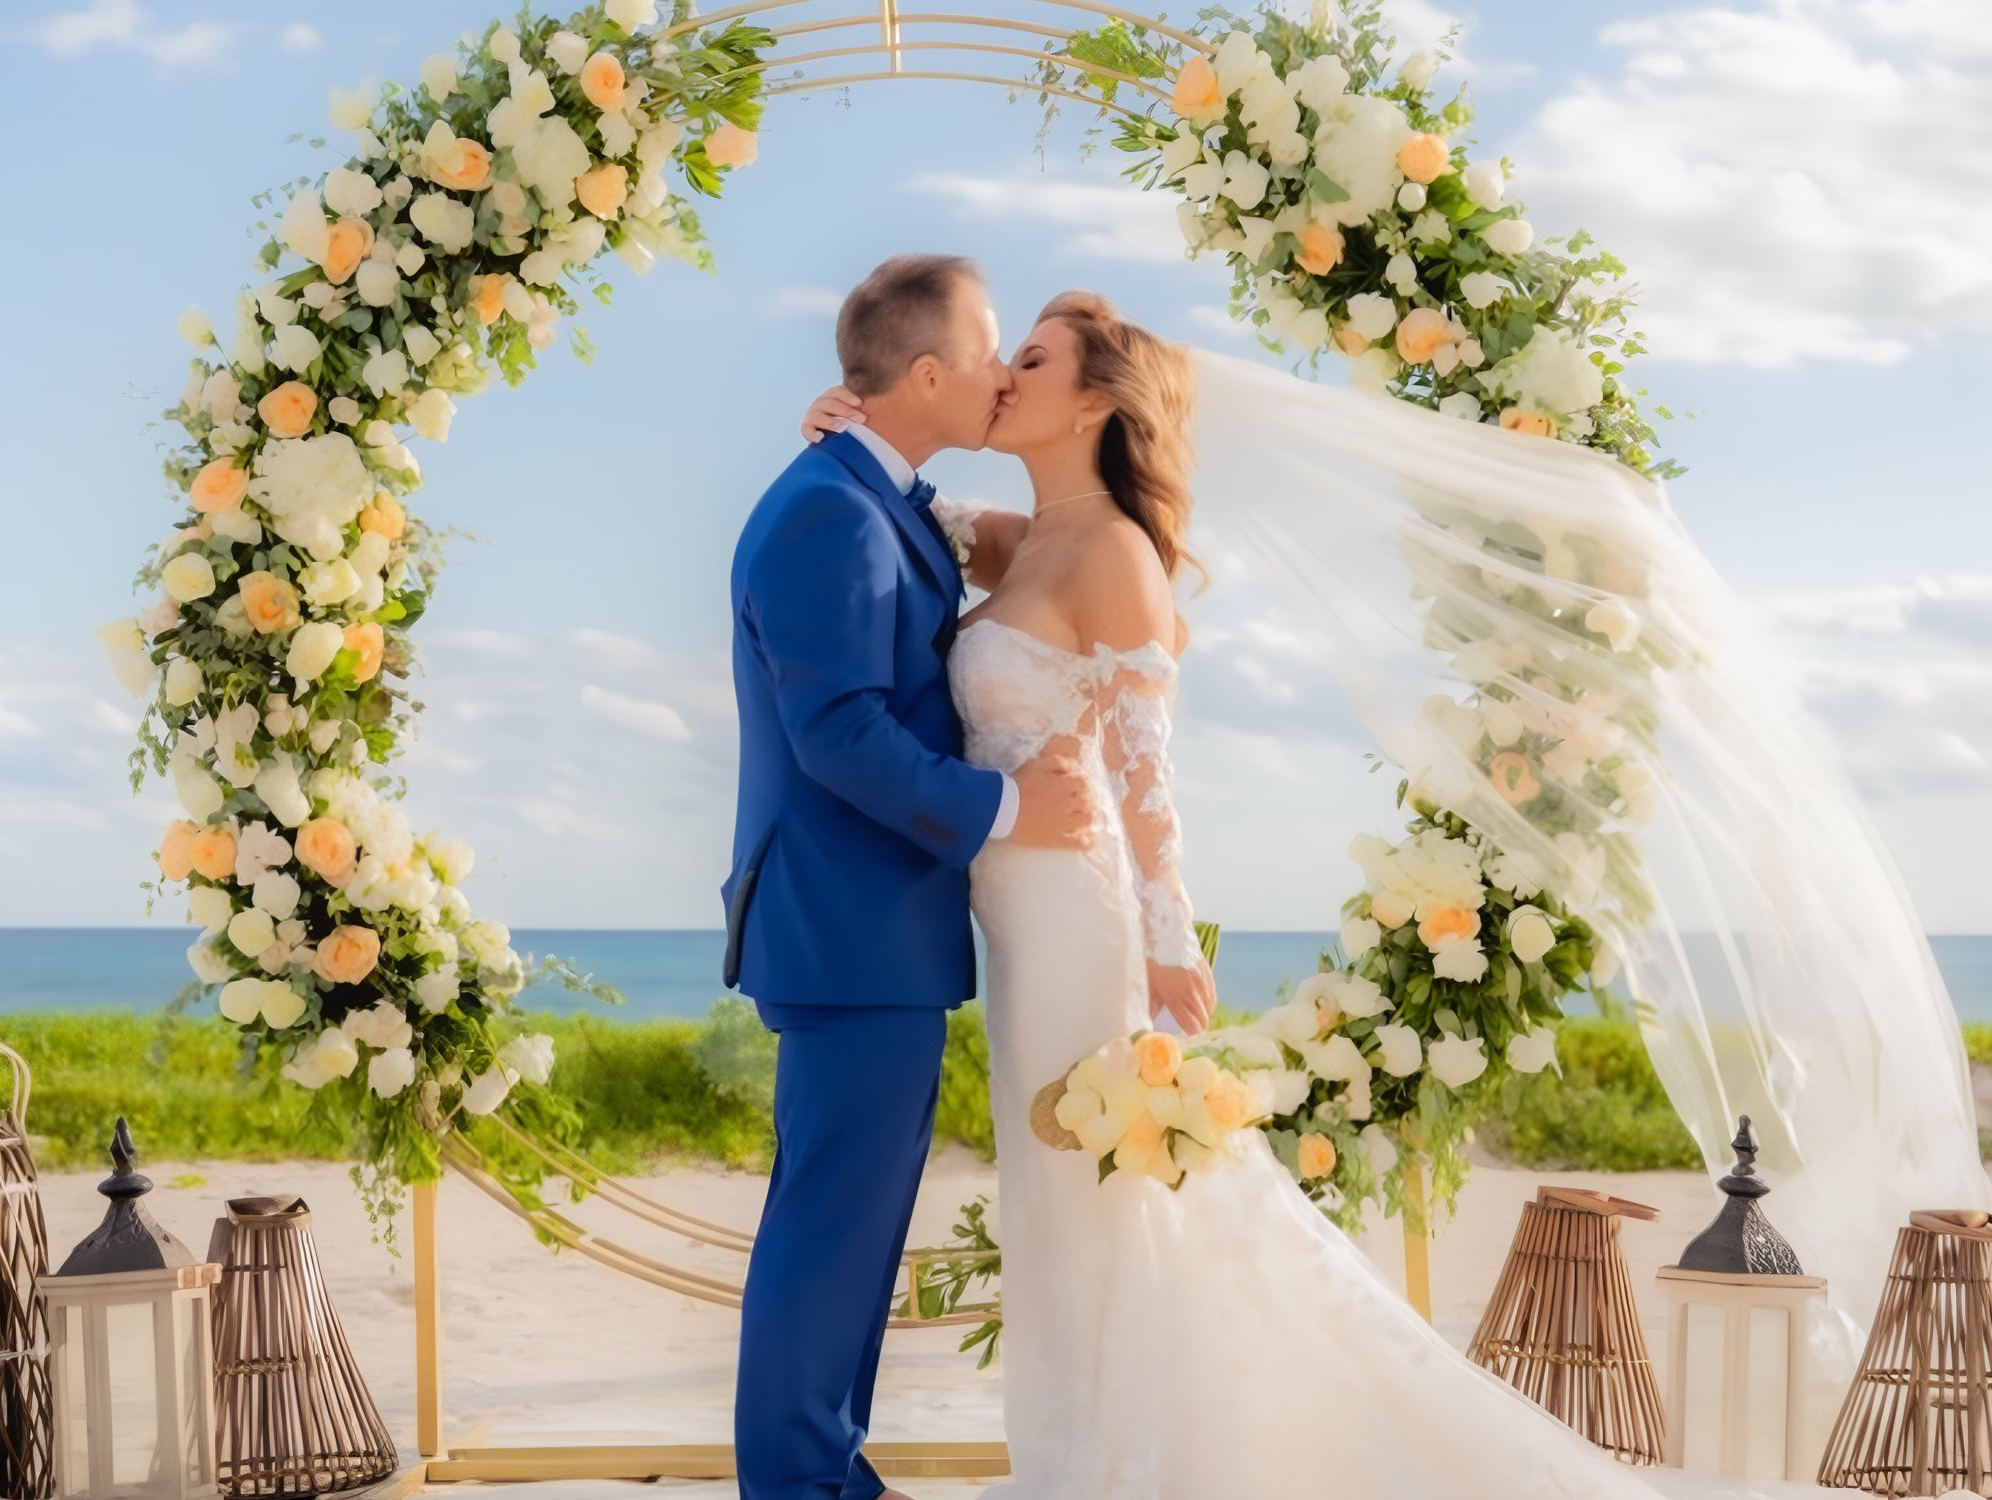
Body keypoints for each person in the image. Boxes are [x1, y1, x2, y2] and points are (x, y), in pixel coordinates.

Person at [789, 292, 1875, 1499]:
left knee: (1098, 1193)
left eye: (1029, 359)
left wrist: (1163, 946)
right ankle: (1087, 1449)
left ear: (1097, 399)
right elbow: (907, 511)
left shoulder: (1114, 556)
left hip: (1073, 919)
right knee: (1058, 1198)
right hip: (1013, 913)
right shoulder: (1023, 536)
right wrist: (839, 424)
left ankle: (1121, 1463)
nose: (1001, 375)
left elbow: (1150, 784)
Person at [723, 253, 1100, 1500]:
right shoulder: (829, 507)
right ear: (928, 373)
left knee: (849, 1233)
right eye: (990, 350)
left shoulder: (871, 492)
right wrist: (1001, 808)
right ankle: (801, 1482)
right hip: (846, 925)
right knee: (831, 1233)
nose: (1000, 373)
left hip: (872, 928)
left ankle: (828, 1472)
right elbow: (835, 731)